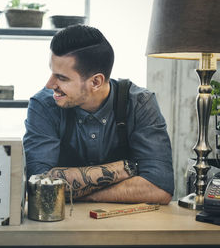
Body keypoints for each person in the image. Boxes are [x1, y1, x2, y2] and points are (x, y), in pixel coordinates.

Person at [23, 25, 174, 204]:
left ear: (96, 82)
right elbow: (38, 185)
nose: (49, 84)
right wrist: (124, 169)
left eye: (62, 78)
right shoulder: (44, 105)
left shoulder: (140, 103)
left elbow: (159, 188)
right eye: (51, 72)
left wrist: (84, 195)